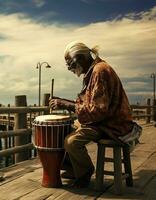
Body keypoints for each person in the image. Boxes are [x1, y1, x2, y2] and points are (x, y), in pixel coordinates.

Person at [49, 41, 137, 188]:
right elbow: (88, 105)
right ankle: (73, 168)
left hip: (111, 125)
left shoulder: (100, 71)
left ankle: (84, 173)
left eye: (71, 65)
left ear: (81, 58)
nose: (71, 69)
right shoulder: (95, 70)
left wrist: (65, 105)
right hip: (104, 121)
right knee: (68, 129)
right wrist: (63, 101)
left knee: (72, 142)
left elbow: (97, 111)